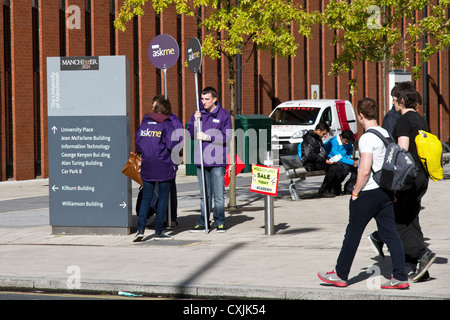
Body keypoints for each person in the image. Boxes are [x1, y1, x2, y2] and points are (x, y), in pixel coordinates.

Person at [318, 97, 409, 289]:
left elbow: (365, 169)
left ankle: (341, 274)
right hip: (385, 192)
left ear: (360, 115)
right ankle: (400, 276)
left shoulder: (367, 138)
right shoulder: (386, 133)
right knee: (391, 234)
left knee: (352, 234)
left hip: (368, 193)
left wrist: (355, 192)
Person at [369, 84, 436, 282]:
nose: (392, 102)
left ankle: (423, 255)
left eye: (394, 98)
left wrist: (393, 185)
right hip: (422, 176)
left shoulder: (403, 122)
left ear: (402, 100)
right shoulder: (420, 120)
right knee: (410, 219)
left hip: (408, 177)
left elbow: (402, 154)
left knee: (396, 222)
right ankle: (419, 268)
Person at [187, 87, 232, 233]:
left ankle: (220, 221)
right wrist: (195, 122)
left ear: (214, 99)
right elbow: (191, 135)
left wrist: (208, 137)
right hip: (201, 160)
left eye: (206, 99)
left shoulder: (223, 114)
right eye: (202, 99)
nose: (203, 102)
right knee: (204, 195)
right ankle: (203, 221)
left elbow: (228, 137)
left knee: (218, 195)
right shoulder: (199, 114)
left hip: (217, 160)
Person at [133, 98, 178, 242]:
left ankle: (140, 230)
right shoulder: (166, 124)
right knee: (163, 198)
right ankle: (159, 231)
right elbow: (172, 144)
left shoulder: (144, 123)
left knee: (146, 198)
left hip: (147, 165)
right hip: (163, 166)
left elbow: (138, 145)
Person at [301, 122, 342, 197]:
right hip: (310, 164)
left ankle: (332, 188)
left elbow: (321, 152)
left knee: (339, 166)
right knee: (332, 168)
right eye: (323, 134)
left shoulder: (317, 138)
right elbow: (310, 155)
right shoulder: (309, 138)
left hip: (318, 162)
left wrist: (329, 159)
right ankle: (323, 190)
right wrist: (325, 161)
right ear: (318, 130)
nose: (323, 136)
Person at [324, 129, 358, 195]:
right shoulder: (334, 142)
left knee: (357, 168)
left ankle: (349, 187)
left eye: (348, 141)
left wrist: (348, 158)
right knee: (345, 168)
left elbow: (349, 149)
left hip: (343, 158)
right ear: (341, 137)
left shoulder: (347, 141)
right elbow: (338, 157)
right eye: (345, 141)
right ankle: (336, 186)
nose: (347, 143)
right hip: (333, 159)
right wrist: (352, 162)